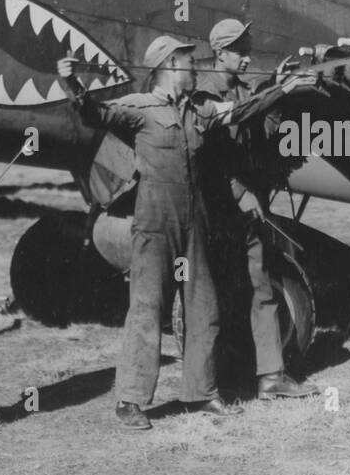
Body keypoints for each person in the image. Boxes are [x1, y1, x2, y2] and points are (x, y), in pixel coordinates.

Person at [58, 35, 312, 430]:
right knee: (147, 309)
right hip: (156, 228)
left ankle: (201, 393)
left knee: (203, 310)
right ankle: (131, 400)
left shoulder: (201, 110)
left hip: (195, 229)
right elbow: (95, 114)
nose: (195, 69)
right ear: (170, 66)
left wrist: (281, 89)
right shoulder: (139, 109)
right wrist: (72, 84)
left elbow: (241, 110)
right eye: (189, 63)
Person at [195, 19, 319, 400]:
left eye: (249, 49)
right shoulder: (203, 94)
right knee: (217, 297)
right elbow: (211, 159)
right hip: (222, 209)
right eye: (240, 51)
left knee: (262, 289)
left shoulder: (248, 90)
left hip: (252, 207)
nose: (248, 57)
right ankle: (214, 382)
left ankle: (270, 376)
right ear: (219, 53)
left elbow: (262, 130)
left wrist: (281, 94)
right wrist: (278, 89)